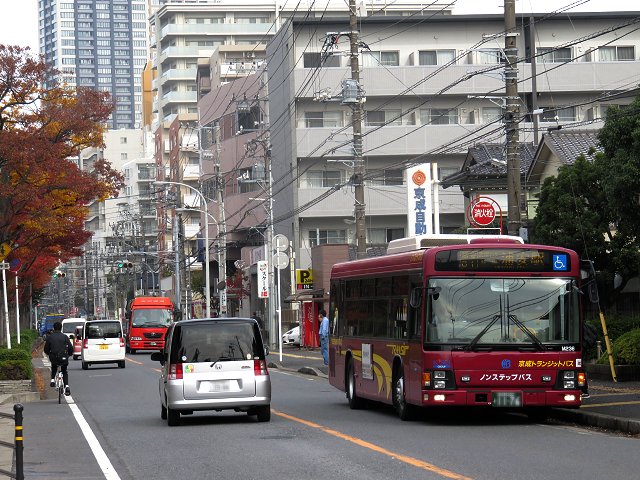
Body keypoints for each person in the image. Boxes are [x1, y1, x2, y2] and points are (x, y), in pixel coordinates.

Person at [44, 321, 74, 396]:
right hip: (63, 357)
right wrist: (69, 354)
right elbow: (70, 348)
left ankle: (52, 380)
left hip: (54, 357)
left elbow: (46, 349)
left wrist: (49, 354)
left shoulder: (50, 337)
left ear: (54, 328)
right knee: (64, 371)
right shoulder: (65, 337)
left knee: (54, 366)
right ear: (61, 328)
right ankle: (66, 386)